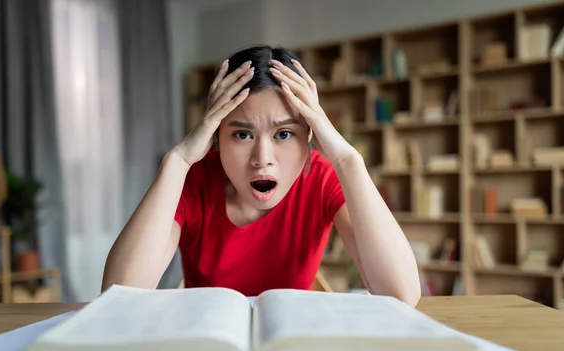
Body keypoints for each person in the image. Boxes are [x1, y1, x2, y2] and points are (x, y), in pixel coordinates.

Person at [101, 45, 421, 306]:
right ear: (215, 135)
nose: (262, 160)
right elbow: (120, 296)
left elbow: (401, 295)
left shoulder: (321, 178)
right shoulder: (193, 180)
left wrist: (348, 159)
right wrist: (178, 159)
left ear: (309, 134)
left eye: (283, 134)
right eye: (242, 135)